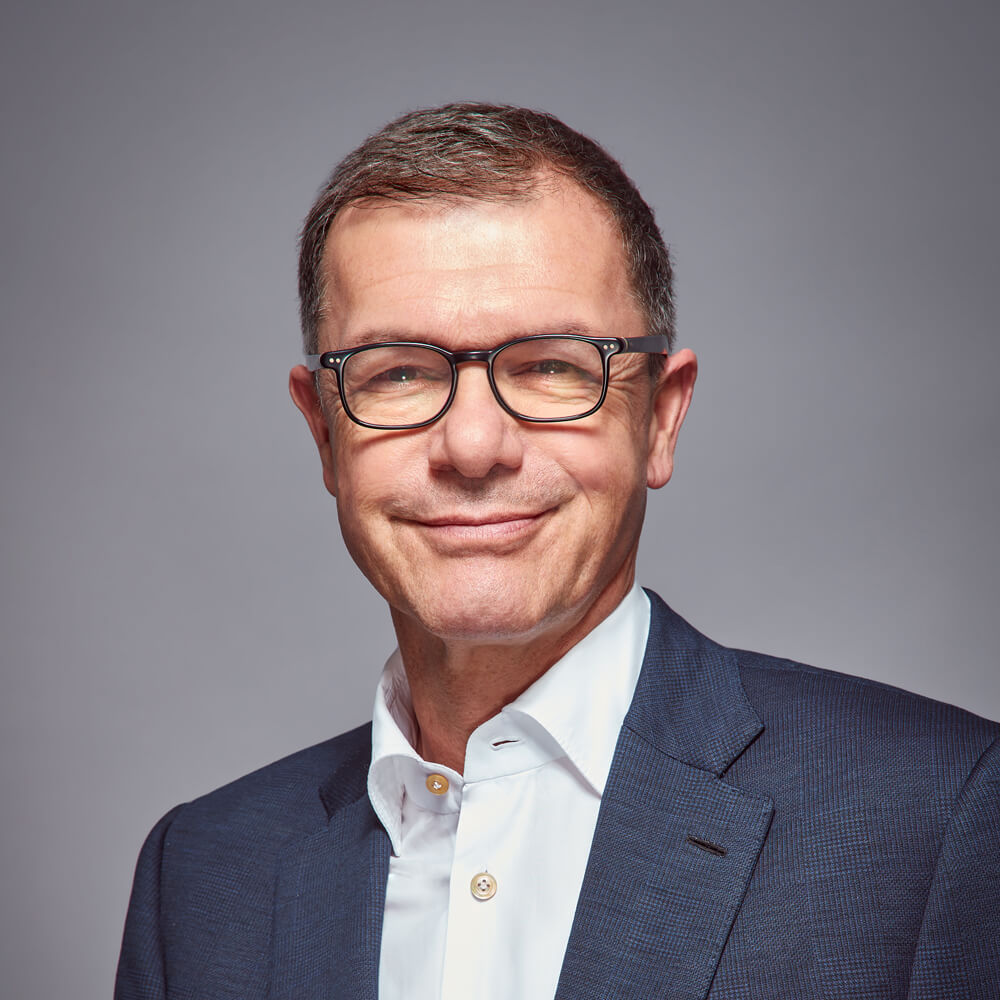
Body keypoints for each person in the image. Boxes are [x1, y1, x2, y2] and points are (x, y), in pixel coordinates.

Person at [115, 103, 999, 1000]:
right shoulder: (201, 876)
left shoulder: (937, 815)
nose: (472, 446)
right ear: (323, 433)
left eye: (550, 366)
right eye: (399, 372)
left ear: (660, 418)